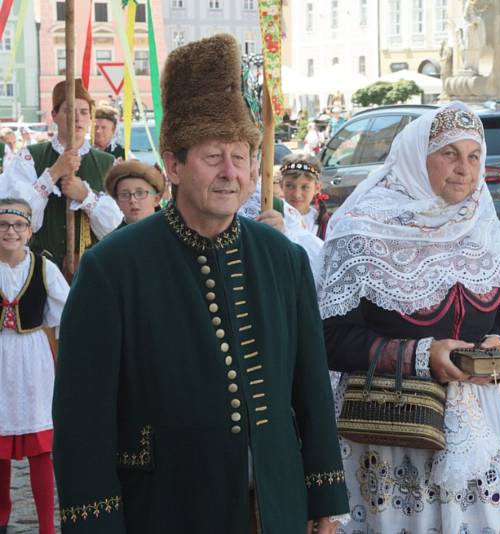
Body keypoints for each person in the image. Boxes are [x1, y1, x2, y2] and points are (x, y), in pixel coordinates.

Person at [51, 33, 348, 534]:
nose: (231, 172)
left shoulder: (284, 259)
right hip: (165, 507)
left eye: (242, 155)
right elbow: (83, 421)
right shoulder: (112, 268)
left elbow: (311, 391)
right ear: (174, 164)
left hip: (273, 506)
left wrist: (324, 496)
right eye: (214, 157)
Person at [319, 102, 500, 533]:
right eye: (449, 154)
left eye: (473, 156)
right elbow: (328, 336)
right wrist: (420, 354)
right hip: (393, 428)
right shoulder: (362, 228)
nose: (464, 169)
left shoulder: (482, 226)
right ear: (416, 156)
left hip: (476, 423)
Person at [0, 80, 122, 271]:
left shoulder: (107, 163)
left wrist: (85, 196)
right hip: (38, 268)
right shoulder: (30, 157)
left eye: (83, 112)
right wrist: (54, 173)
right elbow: (17, 215)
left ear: (90, 117)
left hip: (93, 269)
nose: (77, 119)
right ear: (54, 116)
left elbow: (113, 225)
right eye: (69, 111)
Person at [0, 198, 69, 534]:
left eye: (17, 225)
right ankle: (1, 514)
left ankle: (45, 526)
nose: (10, 232)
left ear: (29, 230)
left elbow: (66, 313)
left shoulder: (44, 267)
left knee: (41, 447)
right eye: (3, 225)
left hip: (33, 358)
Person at [280, 154, 329, 239]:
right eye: (290, 186)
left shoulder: (323, 224)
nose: (296, 194)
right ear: (281, 185)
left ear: (317, 188)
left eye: (305, 187)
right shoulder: (275, 215)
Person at [105, 160, 165, 226]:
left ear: (156, 199)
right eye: (125, 195)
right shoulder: (115, 236)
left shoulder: (174, 232)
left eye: (140, 193)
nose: (132, 200)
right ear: (117, 202)